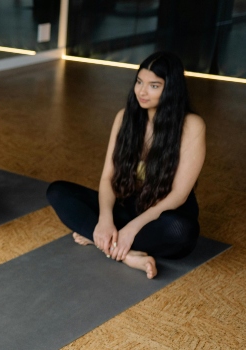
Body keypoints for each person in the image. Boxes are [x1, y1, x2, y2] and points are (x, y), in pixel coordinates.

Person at [46, 52, 206, 279]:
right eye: (139, 82)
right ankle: (126, 253)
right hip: (127, 209)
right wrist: (104, 220)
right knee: (57, 191)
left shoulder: (192, 125)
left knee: (182, 232)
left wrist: (132, 229)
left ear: (171, 89)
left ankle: (100, 239)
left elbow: (179, 195)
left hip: (163, 217)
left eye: (153, 86)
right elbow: (107, 179)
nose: (142, 91)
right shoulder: (124, 118)